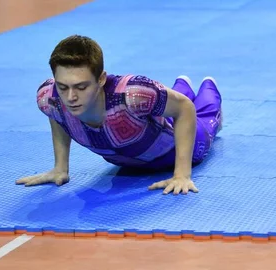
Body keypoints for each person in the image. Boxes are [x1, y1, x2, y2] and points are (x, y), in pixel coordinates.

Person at [15, 35, 223, 195]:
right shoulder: (48, 97)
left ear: (102, 79)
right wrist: (60, 168)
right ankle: (181, 85)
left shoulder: (132, 95)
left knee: (200, 111)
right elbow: (57, 113)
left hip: (171, 151)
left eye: (81, 87)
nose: (70, 97)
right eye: (63, 87)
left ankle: (207, 86)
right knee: (169, 102)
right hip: (139, 141)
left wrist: (181, 175)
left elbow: (185, 109)